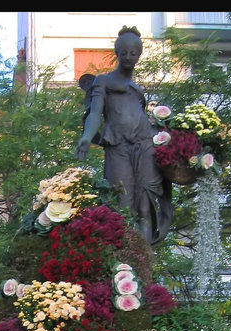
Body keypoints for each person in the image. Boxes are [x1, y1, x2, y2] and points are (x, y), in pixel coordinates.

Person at [76, 26, 172, 245]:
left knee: (145, 205)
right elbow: (95, 113)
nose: (128, 57)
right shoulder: (104, 81)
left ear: (139, 55)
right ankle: (126, 262)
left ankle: (146, 266)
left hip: (144, 144)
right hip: (118, 147)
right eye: (124, 52)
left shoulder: (137, 88)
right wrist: (87, 137)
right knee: (122, 205)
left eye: (133, 53)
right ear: (117, 53)